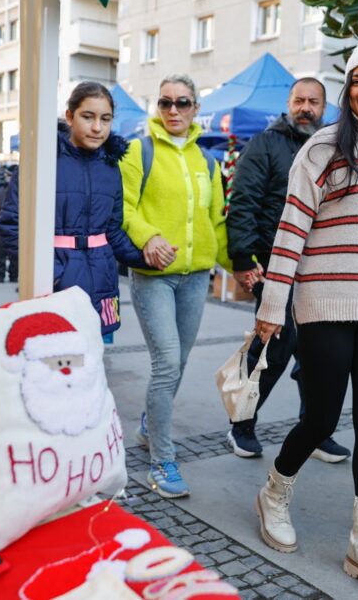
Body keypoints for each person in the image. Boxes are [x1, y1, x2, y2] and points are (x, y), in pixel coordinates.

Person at [252, 38, 358, 598]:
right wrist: (273, 305)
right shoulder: (322, 149)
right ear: (348, 90)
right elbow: (291, 229)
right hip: (323, 306)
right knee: (321, 419)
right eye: (357, 80)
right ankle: (275, 492)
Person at [225, 77, 350, 463]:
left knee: (320, 353)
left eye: (313, 102)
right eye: (299, 100)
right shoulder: (265, 144)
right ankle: (241, 423)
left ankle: (314, 430)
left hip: (322, 267)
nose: (305, 108)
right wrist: (243, 258)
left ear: (324, 107)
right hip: (275, 262)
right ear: (289, 103)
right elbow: (243, 201)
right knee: (276, 346)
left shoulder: (332, 148)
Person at [121, 74, 231, 499]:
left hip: (195, 278)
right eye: (164, 102)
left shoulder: (208, 163)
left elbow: (216, 223)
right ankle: (162, 460)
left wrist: (239, 268)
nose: (172, 110)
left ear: (195, 109)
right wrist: (149, 237)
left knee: (179, 362)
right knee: (167, 362)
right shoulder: (138, 151)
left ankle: (151, 422)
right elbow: (125, 209)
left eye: (182, 103)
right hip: (154, 278)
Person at [0, 82, 151, 318]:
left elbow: (113, 231)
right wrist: (50, 275)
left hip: (103, 283)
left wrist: (146, 259)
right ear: (70, 117)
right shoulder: (41, 160)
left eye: (106, 119)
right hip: (55, 286)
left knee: (97, 353)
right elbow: (11, 224)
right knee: (56, 353)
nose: (97, 127)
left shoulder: (111, 167)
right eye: (88, 117)